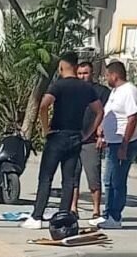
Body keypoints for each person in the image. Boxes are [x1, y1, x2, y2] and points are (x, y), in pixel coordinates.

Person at [22, 52, 103, 230]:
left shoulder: (58, 85)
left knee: (46, 177)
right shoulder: (86, 88)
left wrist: (46, 128)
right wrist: (87, 133)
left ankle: (37, 217)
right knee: (69, 180)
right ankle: (63, 218)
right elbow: (99, 111)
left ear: (61, 67)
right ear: (75, 67)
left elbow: (43, 105)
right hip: (76, 136)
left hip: (57, 135)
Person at [90, 61, 137, 230]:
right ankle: (107, 214)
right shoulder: (115, 91)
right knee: (108, 180)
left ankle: (115, 216)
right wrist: (102, 130)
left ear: (114, 75)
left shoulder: (129, 91)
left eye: (107, 75)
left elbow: (132, 119)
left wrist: (124, 145)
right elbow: (109, 113)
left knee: (117, 180)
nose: (105, 78)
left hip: (123, 143)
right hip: (112, 142)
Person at [72, 61, 110, 219]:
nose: (82, 77)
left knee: (93, 176)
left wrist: (102, 134)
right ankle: (73, 208)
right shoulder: (72, 90)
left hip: (92, 140)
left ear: (92, 74)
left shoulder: (102, 92)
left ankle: (96, 210)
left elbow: (108, 113)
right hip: (73, 139)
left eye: (85, 73)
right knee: (72, 177)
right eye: (79, 74)